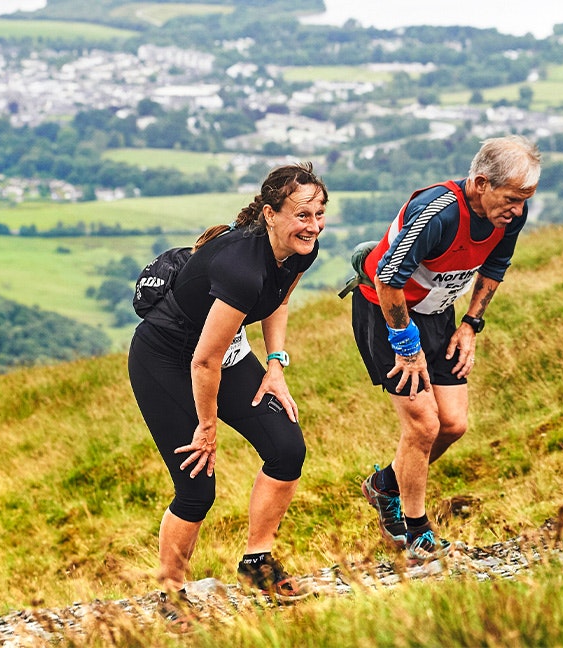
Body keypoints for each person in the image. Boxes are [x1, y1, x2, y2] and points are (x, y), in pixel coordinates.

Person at [127, 162, 328, 629]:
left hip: (221, 353)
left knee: (286, 448)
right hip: (168, 359)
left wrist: (276, 365)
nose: (313, 225)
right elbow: (202, 362)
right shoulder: (241, 266)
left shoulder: (301, 249)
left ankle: (257, 564)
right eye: (302, 214)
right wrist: (207, 426)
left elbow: (278, 300)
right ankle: (170, 594)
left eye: (319, 213)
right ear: (270, 214)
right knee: (196, 485)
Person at [349, 135, 540, 565]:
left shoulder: (511, 215)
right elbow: (386, 278)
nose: (516, 210)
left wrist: (471, 324)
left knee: (453, 423)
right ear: (480, 182)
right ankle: (416, 533)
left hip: (438, 315)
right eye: (510, 198)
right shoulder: (438, 212)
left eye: (524, 200)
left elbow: (495, 265)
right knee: (423, 427)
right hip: (387, 313)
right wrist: (406, 345)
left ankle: (385, 484)